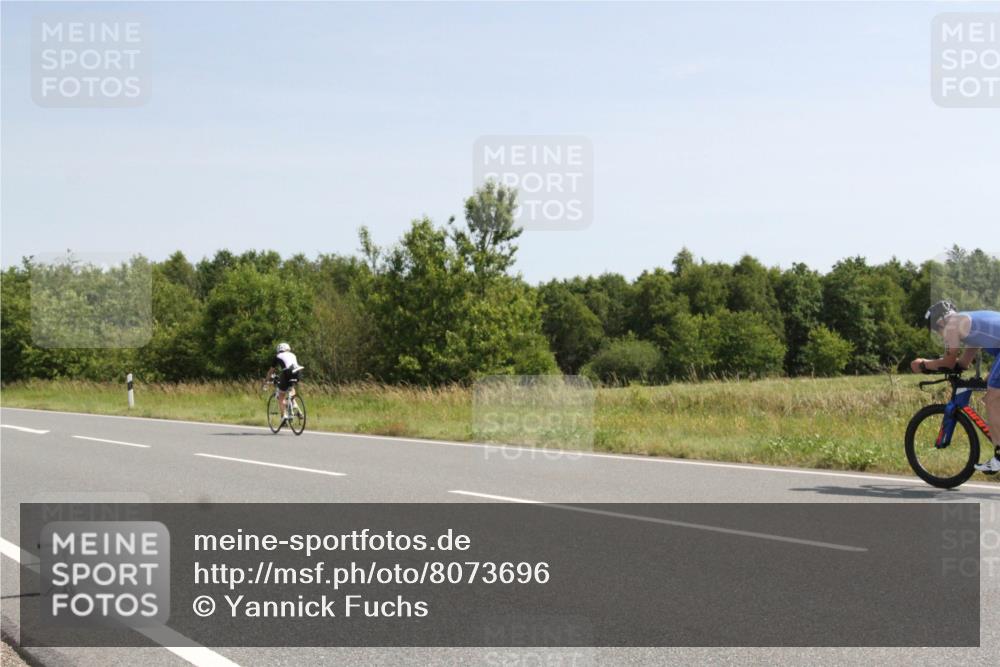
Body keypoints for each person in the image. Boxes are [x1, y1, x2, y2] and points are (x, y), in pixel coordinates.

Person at [910, 301, 1000, 473]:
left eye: (936, 331)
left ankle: (999, 456)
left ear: (940, 322)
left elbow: (949, 362)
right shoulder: (967, 324)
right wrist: (952, 366)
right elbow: (963, 363)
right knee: (992, 392)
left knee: (992, 399)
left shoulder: (952, 325)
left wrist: (923, 365)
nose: (940, 335)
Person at [266, 342, 303, 421]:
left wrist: (266, 381)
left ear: (279, 350)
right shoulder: (293, 354)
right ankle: (294, 404)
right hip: (298, 372)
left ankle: (284, 416)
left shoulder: (278, 356)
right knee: (291, 388)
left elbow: (271, 371)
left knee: (281, 395)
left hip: (287, 372)